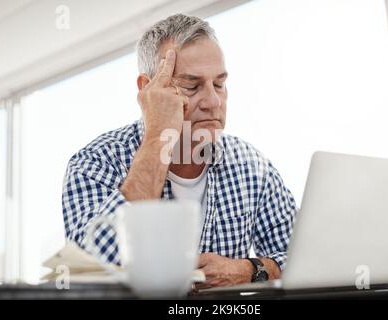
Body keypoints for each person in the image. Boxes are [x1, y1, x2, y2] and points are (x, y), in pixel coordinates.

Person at [62, 13, 296, 289]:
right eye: (192, 86)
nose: (213, 101)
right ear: (147, 89)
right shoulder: (95, 162)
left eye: (219, 84)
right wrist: (159, 138)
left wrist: (249, 269)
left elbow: (302, 259)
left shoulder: (253, 167)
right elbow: (91, 270)